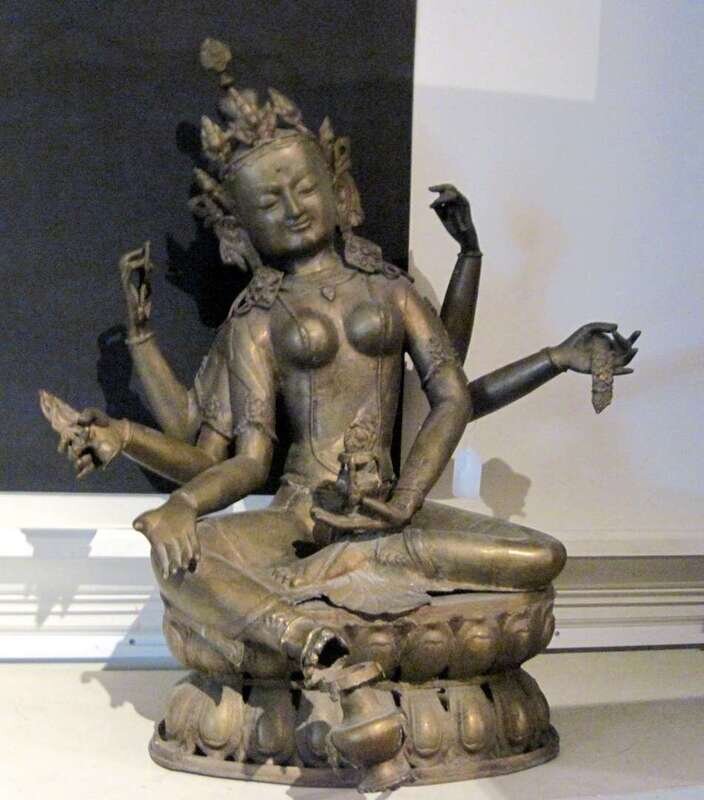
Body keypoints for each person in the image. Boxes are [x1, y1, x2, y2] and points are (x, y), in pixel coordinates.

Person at [53, 66, 639, 675]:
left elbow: (453, 394)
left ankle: (347, 579)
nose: (293, 209)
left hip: (392, 513)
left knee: (541, 556)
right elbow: (249, 461)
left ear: (337, 189)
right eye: (269, 202)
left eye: (305, 189)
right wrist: (183, 505)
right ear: (242, 225)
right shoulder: (257, 317)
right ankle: (306, 640)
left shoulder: (389, 288)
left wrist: (406, 499)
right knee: (177, 555)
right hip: (303, 516)